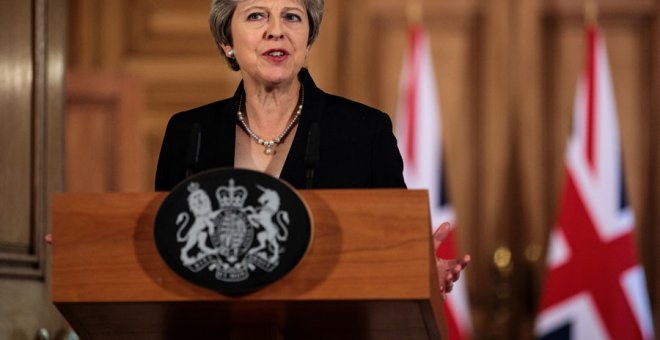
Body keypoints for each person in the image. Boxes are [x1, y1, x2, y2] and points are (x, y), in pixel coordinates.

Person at [153, 0, 469, 296]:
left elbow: (392, 245)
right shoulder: (189, 133)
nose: (276, 30)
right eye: (256, 15)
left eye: (292, 16)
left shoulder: (364, 132)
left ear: (308, 37)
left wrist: (416, 266)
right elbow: (164, 248)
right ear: (227, 41)